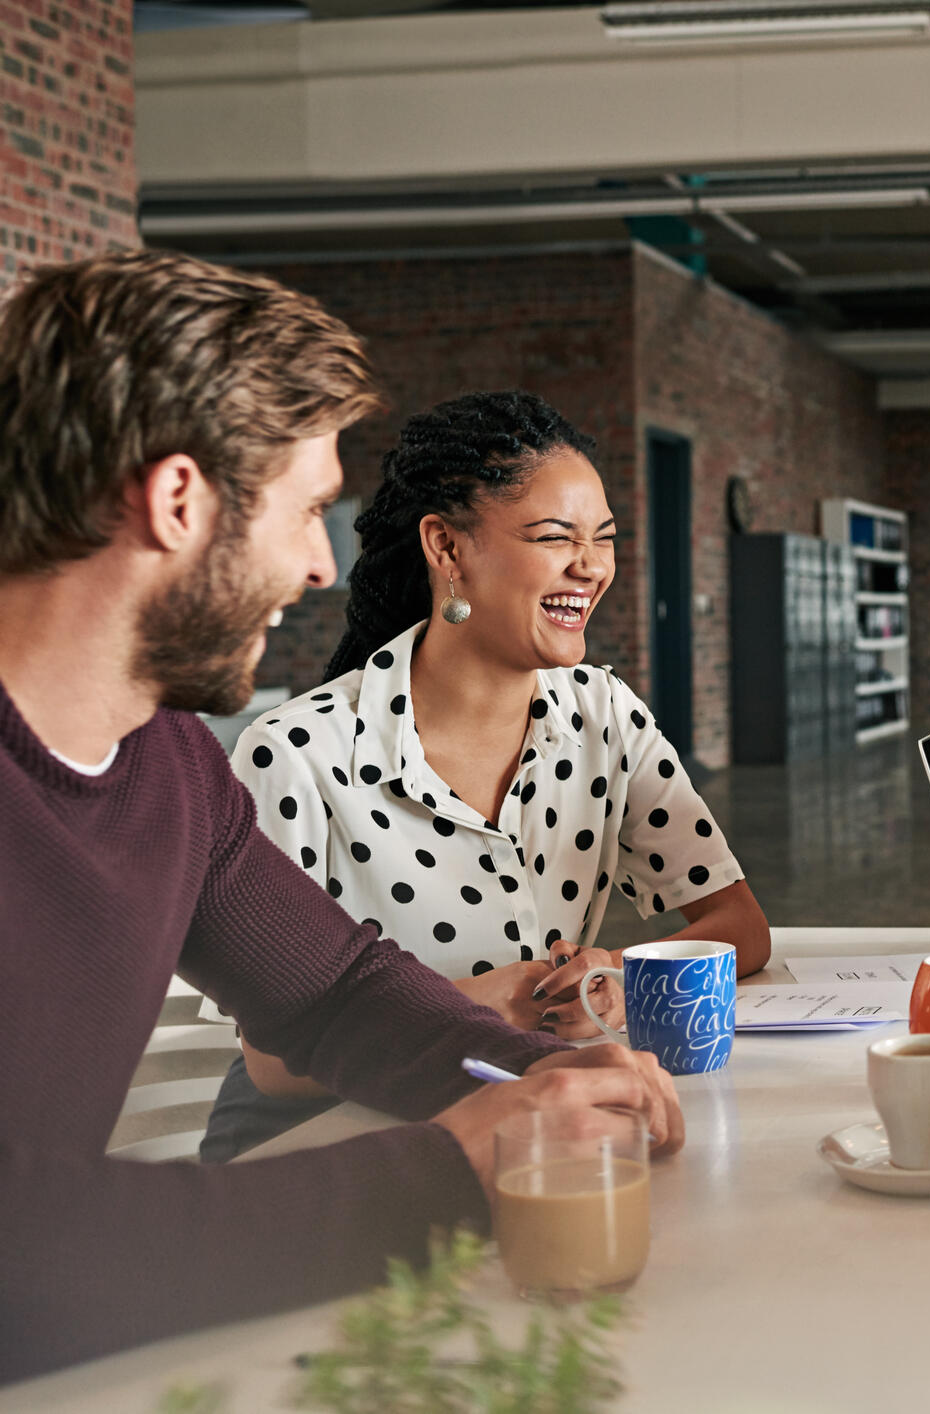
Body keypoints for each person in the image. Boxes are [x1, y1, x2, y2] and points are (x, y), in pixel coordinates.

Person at [0, 251, 684, 1385]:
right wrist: (450, 1175)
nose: (321, 568)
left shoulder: (167, 762)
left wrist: (539, 1082)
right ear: (178, 502)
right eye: (309, 509)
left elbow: (333, 992)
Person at [200, 391, 771, 1160]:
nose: (593, 565)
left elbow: (740, 928)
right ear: (447, 548)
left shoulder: (606, 714)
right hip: (322, 1150)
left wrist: (618, 975)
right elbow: (272, 1061)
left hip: (525, 1115)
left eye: (602, 538)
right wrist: (484, 1005)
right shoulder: (296, 755)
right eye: (553, 537)